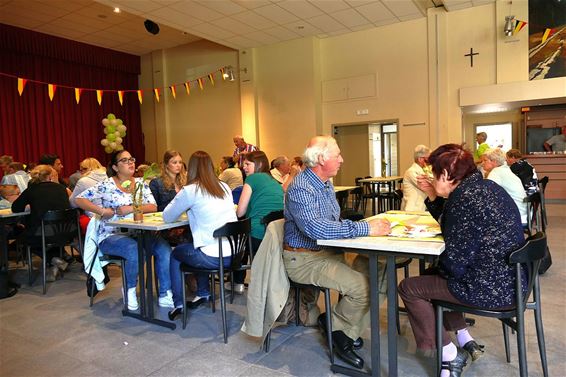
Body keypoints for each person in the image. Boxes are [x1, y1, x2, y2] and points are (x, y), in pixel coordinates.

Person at [398, 144, 525, 377]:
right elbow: (453, 227)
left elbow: (454, 265)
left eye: (435, 175)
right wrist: (434, 196)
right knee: (434, 278)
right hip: (513, 282)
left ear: (446, 176)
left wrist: (440, 267)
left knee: (410, 287)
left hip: (489, 288)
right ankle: (465, 339)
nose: (434, 180)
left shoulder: (463, 200)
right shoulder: (486, 187)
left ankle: (449, 355)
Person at [283, 136, 391, 369]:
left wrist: (362, 228)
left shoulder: (325, 184)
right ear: (321, 158)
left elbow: (333, 222)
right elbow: (315, 228)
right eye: (337, 155)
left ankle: (344, 331)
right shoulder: (301, 187)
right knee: (362, 288)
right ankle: (336, 332)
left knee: (379, 272)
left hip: (328, 252)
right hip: (304, 259)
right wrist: (366, 228)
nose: (342, 159)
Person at [76, 150, 173, 311]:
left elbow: (153, 206)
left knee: (164, 249)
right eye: (125, 160)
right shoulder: (107, 185)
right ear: (115, 167)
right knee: (133, 250)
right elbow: (79, 199)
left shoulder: (141, 183)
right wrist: (101, 211)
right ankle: (130, 291)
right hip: (111, 235)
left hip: (139, 232)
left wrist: (129, 208)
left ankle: (165, 293)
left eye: (132, 159)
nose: (131, 163)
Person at [163, 151, 237, 320]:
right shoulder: (224, 186)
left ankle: (179, 303)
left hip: (212, 257)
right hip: (234, 255)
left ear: (192, 169)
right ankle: (203, 292)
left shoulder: (190, 190)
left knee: (176, 254)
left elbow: (167, 216)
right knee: (199, 244)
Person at [232, 151, 284, 293]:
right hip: (276, 233)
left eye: (248, 164)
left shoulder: (252, 179)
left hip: (257, 234)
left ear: (259, 164)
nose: (244, 167)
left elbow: (240, 212)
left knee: (238, 243)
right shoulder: (274, 181)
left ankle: (237, 282)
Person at [11, 165, 71, 281]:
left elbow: (16, 208)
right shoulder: (61, 188)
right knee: (48, 235)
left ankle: (52, 259)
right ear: (49, 176)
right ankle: (55, 260)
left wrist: (30, 205)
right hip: (66, 232)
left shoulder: (31, 190)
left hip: (43, 233)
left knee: (23, 237)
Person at [482, 148, 528, 225]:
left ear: (494, 162)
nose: (482, 163)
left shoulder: (496, 172)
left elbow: (486, 194)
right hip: (523, 212)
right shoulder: (505, 169)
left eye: (485, 160)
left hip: (516, 216)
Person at [69, 158, 108, 234]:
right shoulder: (108, 179)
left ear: (86, 169)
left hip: (93, 219)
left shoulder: (83, 181)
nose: (80, 173)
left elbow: (73, 203)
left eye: (81, 170)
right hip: (109, 217)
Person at [401, 145, 431, 211]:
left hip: (422, 207)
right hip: (412, 209)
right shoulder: (411, 171)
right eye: (427, 158)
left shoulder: (425, 170)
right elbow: (427, 186)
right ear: (420, 159)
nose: (429, 161)